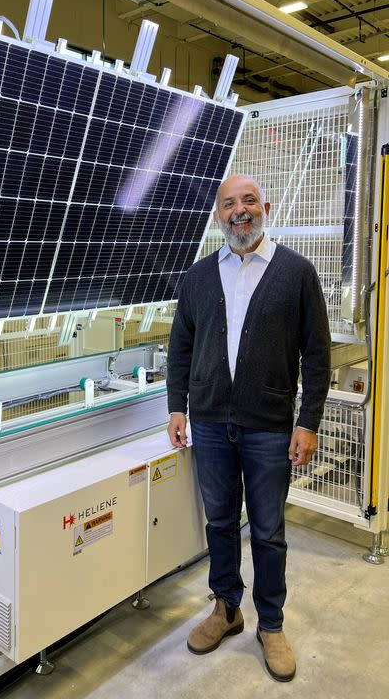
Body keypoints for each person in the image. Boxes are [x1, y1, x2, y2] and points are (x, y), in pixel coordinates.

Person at [166, 174, 330, 682]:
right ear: (218, 216)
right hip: (211, 423)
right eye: (229, 204)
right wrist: (178, 408)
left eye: (249, 201)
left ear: (266, 207)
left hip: (270, 427)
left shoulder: (297, 273)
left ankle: (272, 625)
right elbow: (180, 350)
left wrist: (307, 421)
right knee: (218, 523)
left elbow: (318, 355)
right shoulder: (196, 278)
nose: (240, 211)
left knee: (268, 531)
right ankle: (226, 609)